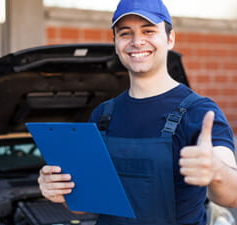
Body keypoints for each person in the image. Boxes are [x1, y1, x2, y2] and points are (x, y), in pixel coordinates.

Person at [37, 0, 237, 224]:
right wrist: (61, 191)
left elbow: (233, 195)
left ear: (170, 39)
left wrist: (216, 170)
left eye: (148, 30)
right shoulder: (104, 115)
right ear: (115, 43)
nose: (137, 41)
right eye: (125, 33)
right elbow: (86, 206)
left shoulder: (199, 111)